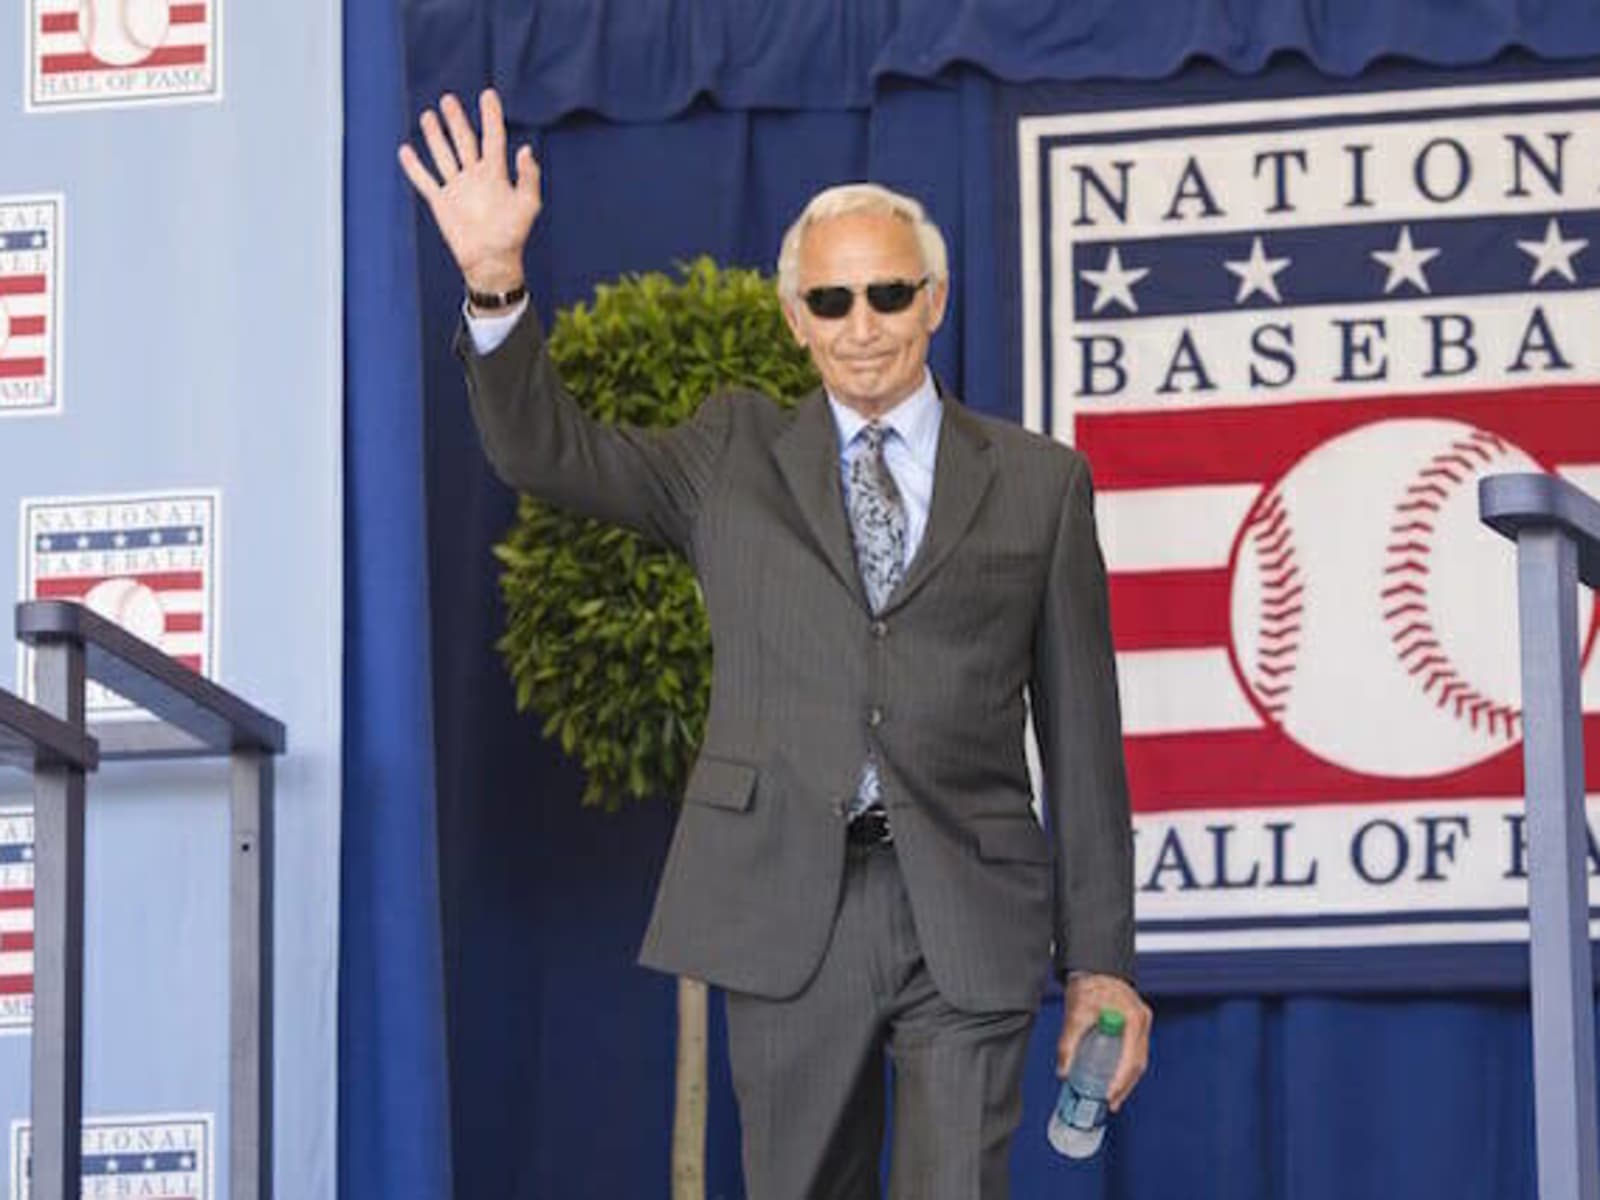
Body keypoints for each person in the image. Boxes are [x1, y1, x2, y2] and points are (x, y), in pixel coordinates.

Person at [399, 87, 1152, 1199]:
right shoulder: (729, 452)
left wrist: (1103, 965)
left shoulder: (1040, 482)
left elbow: (1084, 741)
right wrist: (495, 286)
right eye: (832, 297)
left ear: (932, 301)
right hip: (783, 900)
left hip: (968, 897)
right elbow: (543, 453)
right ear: (794, 314)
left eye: (888, 293)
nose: (862, 323)